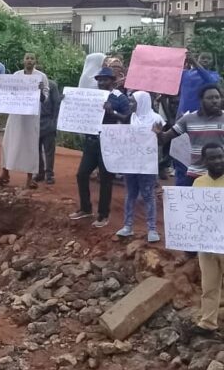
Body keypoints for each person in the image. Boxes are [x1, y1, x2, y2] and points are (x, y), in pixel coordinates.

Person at [69, 67, 131, 227]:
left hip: (109, 143)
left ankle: (103, 215)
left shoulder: (120, 98)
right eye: (99, 80)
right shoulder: (92, 96)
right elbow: (78, 109)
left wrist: (112, 113)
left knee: (105, 179)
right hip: (92, 141)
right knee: (81, 175)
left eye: (105, 79)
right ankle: (86, 208)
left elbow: (127, 119)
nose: (102, 82)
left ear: (112, 81)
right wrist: (67, 100)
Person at [115, 91, 164, 242]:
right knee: (130, 194)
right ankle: (128, 226)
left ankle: (152, 229)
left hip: (147, 164)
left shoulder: (156, 118)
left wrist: (158, 134)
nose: (130, 105)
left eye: (132, 102)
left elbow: (161, 141)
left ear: (142, 102)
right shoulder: (132, 117)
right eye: (130, 102)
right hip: (131, 162)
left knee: (148, 194)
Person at [0, 53, 49, 189]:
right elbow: (7, 91)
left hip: (31, 117)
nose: (29, 60)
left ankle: (30, 178)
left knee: (30, 145)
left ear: (35, 61)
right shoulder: (16, 75)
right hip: (16, 115)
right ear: (23, 61)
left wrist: (40, 90)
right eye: (27, 58)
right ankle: (5, 173)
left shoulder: (41, 77)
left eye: (32, 58)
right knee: (8, 143)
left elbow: (45, 98)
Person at [157, 84, 224, 183]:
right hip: (195, 174)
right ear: (201, 100)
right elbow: (164, 139)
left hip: (221, 174)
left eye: (217, 97)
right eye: (210, 98)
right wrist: (159, 134)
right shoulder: (188, 119)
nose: (214, 101)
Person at [190, 143, 224, 337]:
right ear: (205, 161)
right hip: (207, 244)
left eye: (220, 156)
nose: (218, 161)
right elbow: (192, 214)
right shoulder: (198, 183)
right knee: (209, 285)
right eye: (213, 158)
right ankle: (208, 324)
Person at [35, 75, 62, 184]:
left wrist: (54, 121)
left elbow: (56, 103)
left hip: (47, 120)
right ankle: (40, 172)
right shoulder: (29, 85)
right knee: (36, 150)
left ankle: (49, 174)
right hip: (34, 121)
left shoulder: (51, 85)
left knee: (49, 150)